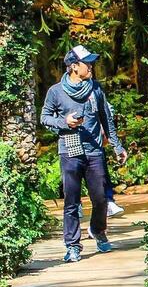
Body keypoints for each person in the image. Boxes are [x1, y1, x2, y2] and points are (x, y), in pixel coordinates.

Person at [40, 45, 126, 262]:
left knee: (100, 199)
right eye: (87, 63)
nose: (91, 66)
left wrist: (116, 145)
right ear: (73, 66)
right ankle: (72, 245)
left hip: (94, 151)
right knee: (71, 201)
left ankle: (98, 230)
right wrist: (64, 122)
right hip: (69, 150)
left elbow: (106, 119)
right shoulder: (55, 92)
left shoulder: (95, 88)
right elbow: (44, 118)